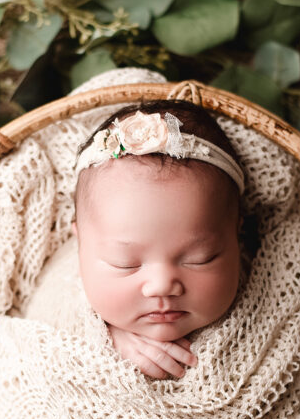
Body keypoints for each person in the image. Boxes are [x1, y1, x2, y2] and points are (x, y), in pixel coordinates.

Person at [70, 99, 250, 380]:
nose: (162, 285)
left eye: (199, 259)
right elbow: (37, 319)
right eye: (125, 263)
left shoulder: (265, 309)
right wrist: (102, 339)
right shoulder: (65, 298)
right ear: (79, 244)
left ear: (237, 236)